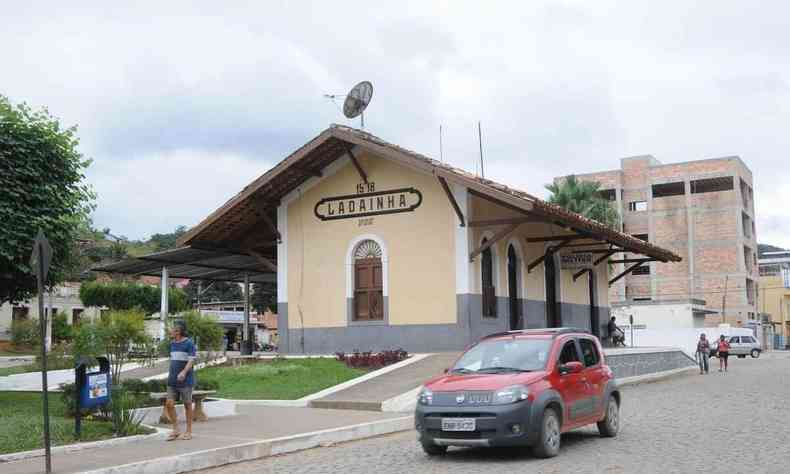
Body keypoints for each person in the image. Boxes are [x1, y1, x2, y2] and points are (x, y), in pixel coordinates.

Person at [165, 321, 196, 441]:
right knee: (169, 404)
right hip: (172, 380)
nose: (171, 331)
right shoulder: (172, 343)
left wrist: (183, 372)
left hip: (186, 380)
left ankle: (188, 431)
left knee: (187, 405)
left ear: (178, 331)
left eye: (173, 330)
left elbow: (191, 360)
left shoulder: (189, 343)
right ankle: (176, 430)